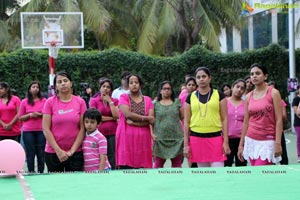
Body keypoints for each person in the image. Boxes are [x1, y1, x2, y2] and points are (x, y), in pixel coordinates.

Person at [183, 67, 230, 167]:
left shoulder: (219, 95)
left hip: (216, 138)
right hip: (196, 139)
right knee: (203, 175)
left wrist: (225, 142)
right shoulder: (190, 97)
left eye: (204, 76)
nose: (201, 79)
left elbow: (224, 119)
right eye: (198, 77)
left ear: (209, 78)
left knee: (218, 173)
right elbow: (186, 122)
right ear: (196, 80)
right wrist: (186, 145)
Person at [238, 63, 282, 166]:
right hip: (251, 140)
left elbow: (279, 120)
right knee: (258, 177)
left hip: (267, 141)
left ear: (265, 76)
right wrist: (241, 145)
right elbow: (245, 122)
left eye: (257, 73)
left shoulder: (274, 93)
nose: (254, 76)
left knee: (262, 172)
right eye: (252, 74)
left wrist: (278, 143)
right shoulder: (248, 96)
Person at [42, 71, 87, 172]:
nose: (63, 83)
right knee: (56, 185)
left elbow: (82, 128)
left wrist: (72, 151)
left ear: (71, 83)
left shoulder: (80, 102)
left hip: (75, 153)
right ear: (55, 87)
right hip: (53, 152)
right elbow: (45, 128)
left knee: (75, 185)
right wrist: (58, 151)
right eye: (59, 82)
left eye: (65, 81)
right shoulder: (49, 102)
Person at [116, 74, 155, 169]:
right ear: (128, 85)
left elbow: (152, 120)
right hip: (126, 140)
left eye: (136, 82)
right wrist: (146, 118)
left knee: (143, 172)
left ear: (140, 85)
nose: (134, 85)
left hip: (143, 141)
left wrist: (134, 122)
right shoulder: (123, 97)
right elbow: (127, 114)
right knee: (126, 170)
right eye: (131, 83)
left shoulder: (148, 100)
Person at [152, 81, 184, 168]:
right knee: (158, 165)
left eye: (168, 89)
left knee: (177, 165)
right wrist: (152, 134)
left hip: (177, 139)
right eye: (164, 89)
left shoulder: (177, 102)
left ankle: (177, 181)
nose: (166, 90)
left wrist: (186, 133)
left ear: (172, 91)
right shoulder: (155, 104)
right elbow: (151, 121)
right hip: (160, 139)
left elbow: (183, 117)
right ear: (160, 91)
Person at [89, 78, 118, 169]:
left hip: (113, 133)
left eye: (108, 87)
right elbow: (95, 117)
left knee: (112, 156)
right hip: (98, 134)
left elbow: (116, 116)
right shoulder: (94, 100)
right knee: (99, 156)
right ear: (100, 88)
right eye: (103, 86)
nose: (105, 89)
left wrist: (110, 101)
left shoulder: (115, 100)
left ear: (111, 90)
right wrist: (111, 118)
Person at [19, 81, 46, 173]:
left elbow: (47, 114)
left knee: (41, 153)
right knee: (30, 153)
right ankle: (31, 172)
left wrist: (39, 114)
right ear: (29, 89)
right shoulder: (24, 102)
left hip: (41, 130)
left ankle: (41, 172)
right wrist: (30, 115)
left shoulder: (44, 101)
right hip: (28, 131)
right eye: (33, 87)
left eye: (37, 87)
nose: (36, 89)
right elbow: (20, 117)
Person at [224, 79, 247, 167]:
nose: (239, 89)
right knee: (226, 166)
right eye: (237, 87)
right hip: (227, 140)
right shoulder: (224, 102)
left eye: (242, 88)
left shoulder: (246, 104)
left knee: (241, 166)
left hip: (242, 140)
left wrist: (242, 142)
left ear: (244, 91)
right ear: (232, 88)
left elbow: (247, 122)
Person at [268, 81, 289, 165]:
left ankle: (284, 170)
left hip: (278, 130)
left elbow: (284, 117)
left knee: (282, 153)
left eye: (273, 88)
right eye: (269, 89)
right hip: (267, 131)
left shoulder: (280, 101)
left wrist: (276, 113)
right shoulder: (264, 101)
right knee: (269, 154)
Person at [292, 84, 300, 163]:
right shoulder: (296, 99)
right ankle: (299, 155)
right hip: (298, 123)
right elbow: (297, 112)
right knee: (299, 139)